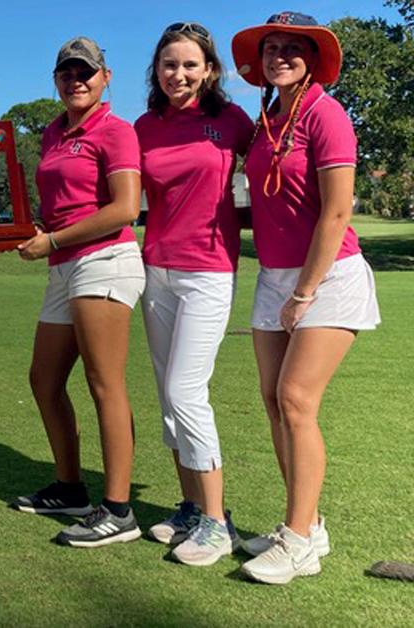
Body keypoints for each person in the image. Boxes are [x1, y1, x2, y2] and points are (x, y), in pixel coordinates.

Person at [231, 12, 380, 584]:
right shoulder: (268, 119)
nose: (281, 56)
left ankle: (297, 543)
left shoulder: (327, 114)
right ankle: (306, 523)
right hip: (274, 275)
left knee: (296, 400)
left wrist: (305, 292)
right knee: (273, 401)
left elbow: (337, 211)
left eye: (294, 48)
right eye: (272, 48)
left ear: (313, 59)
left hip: (328, 275)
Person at [14, 37, 145, 549]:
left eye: (86, 72)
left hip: (105, 259)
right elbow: (60, 205)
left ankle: (118, 509)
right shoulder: (52, 132)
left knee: (103, 383)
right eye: (67, 72)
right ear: (56, 79)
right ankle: (70, 488)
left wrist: (53, 239)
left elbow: (124, 208)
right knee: (44, 379)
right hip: (64, 263)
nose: (77, 80)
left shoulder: (116, 130)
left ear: (105, 77)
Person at [134, 23, 254, 566]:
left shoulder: (232, 122)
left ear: (209, 70)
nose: (178, 73)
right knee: (167, 398)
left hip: (208, 271)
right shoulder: (143, 126)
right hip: (156, 269)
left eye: (189, 64)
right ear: (156, 71)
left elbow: (276, 164)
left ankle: (216, 520)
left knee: (187, 391)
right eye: (168, 64)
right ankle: (189, 505)